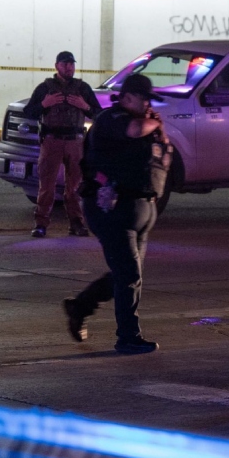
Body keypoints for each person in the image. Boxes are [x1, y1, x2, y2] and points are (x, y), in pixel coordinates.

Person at [62, 74, 167, 355]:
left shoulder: (148, 125)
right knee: (128, 274)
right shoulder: (111, 119)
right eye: (143, 100)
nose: (147, 106)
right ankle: (128, 337)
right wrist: (156, 122)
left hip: (142, 205)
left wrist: (159, 131)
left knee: (127, 275)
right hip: (112, 208)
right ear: (127, 97)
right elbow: (135, 130)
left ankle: (81, 306)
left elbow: (162, 156)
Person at [23, 51, 103, 238]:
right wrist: (44, 103)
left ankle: (76, 223)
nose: (69, 67)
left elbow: (99, 114)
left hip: (75, 142)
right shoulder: (45, 88)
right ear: (56, 66)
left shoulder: (83, 88)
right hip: (52, 141)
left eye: (71, 64)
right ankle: (41, 224)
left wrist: (86, 107)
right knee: (47, 187)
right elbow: (29, 113)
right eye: (65, 64)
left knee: (74, 187)